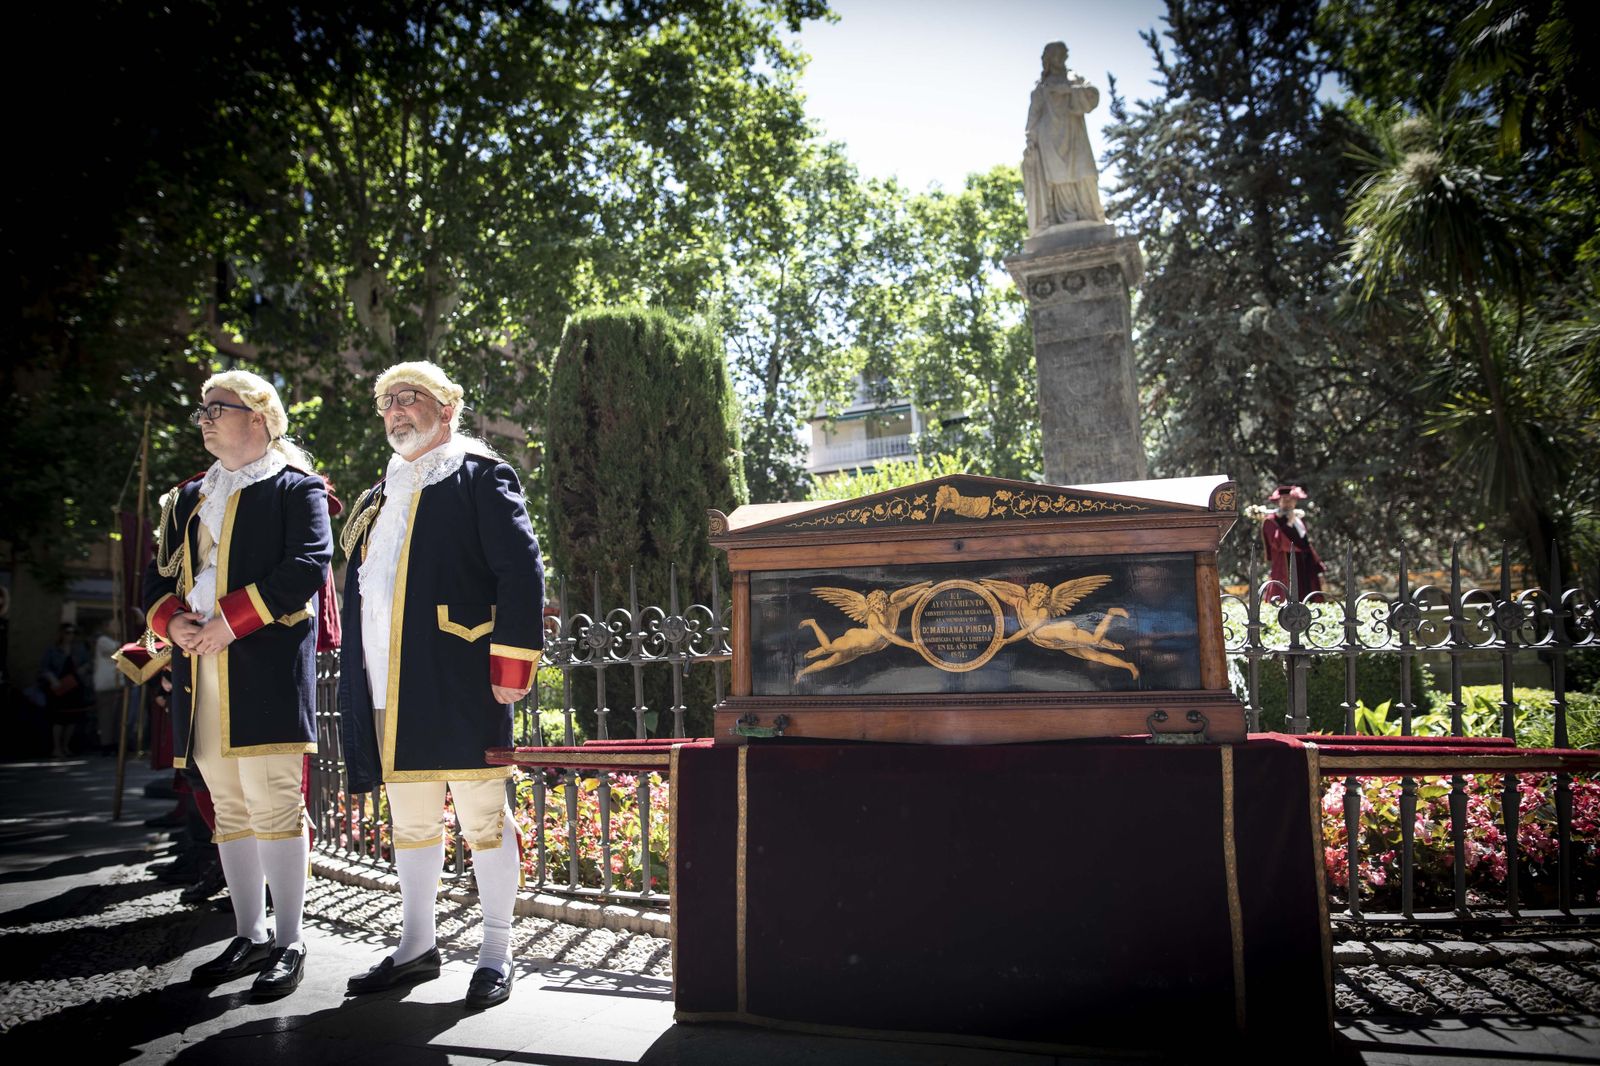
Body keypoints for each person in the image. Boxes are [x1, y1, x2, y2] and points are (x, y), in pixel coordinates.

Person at [338, 360, 543, 1010]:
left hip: (460, 674)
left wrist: (512, 663)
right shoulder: (378, 493)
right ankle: (417, 946)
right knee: (413, 821)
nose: (396, 410)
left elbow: (521, 570)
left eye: (409, 398)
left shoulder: (480, 474)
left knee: (484, 817)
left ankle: (496, 950)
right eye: (387, 402)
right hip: (387, 680)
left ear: (446, 407)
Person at [142, 369, 332, 998]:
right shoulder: (188, 496)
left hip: (267, 666)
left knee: (275, 804)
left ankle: (290, 940)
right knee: (229, 807)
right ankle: (250, 932)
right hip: (201, 667)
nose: (204, 419)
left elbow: (306, 565)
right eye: (201, 410)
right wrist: (177, 625)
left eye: (216, 408)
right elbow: (156, 581)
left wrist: (227, 623)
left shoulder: (296, 488)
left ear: (258, 416)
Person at [1021, 40, 1106, 232]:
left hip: (1075, 135)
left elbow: (1093, 96)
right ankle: (1065, 220)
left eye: (1062, 54)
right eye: (1055, 55)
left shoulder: (1074, 78)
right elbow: (1033, 116)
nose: (1059, 59)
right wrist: (1030, 140)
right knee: (1059, 180)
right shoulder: (1041, 88)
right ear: (1048, 60)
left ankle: (1091, 215)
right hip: (1049, 140)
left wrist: (1068, 90)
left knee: (1086, 174)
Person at [1261, 484, 1325, 602]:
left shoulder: (1298, 520)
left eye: (1291, 500)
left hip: (1303, 561)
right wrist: (1289, 523)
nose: (1288, 503)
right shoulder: (1270, 521)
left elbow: (1304, 541)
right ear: (1278, 502)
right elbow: (1277, 543)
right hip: (1285, 561)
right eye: (1285, 500)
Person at [40, 623, 94, 756]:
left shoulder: (79, 649)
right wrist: (53, 680)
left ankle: (66, 746)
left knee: (72, 719)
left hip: (75, 687)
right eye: (68, 632)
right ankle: (56, 748)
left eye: (73, 633)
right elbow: (44, 668)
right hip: (58, 687)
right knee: (58, 719)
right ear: (62, 633)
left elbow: (89, 663)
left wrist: (84, 668)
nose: (71, 636)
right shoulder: (52, 650)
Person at [92, 617, 124, 753]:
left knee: (118, 718)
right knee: (106, 717)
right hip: (106, 685)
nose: (117, 627)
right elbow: (115, 652)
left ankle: (116, 743)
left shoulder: (118, 641)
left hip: (119, 685)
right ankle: (106, 744)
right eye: (114, 624)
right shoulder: (102, 641)